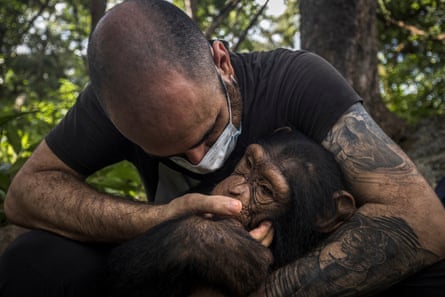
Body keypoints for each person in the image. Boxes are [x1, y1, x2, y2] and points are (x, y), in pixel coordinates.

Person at [1, 0, 444, 296]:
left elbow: (423, 221)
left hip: (295, 262)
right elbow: (25, 195)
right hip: (178, 255)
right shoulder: (116, 104)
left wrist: (262, 286)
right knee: (35, 262)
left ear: (222, 63)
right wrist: (166, 219)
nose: (198, 160)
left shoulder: (294, 79)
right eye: (169, 150)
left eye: (208, 130)